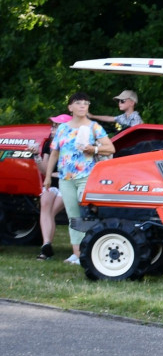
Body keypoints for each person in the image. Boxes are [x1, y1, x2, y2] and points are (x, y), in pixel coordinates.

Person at [43, 93, 115, 265]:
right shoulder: (62, 128)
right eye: (78, 103)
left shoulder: (94, 127)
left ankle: (91, 250)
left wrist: (94, 149)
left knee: (86, 212)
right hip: (66, 178)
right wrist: (47, 177)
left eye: (86, 103)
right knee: (73, 216)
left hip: (86, 176)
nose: (83, 106)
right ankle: (77, 254)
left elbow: (110, 148)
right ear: (70, 107)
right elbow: (55, 153)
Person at [32, 114, 71, 261]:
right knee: (45, 206)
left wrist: (53, 174)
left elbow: (71, 171)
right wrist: (36, 156)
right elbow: (45, 170)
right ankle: (46, 246)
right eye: (53, 125)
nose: (52, 128)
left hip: (68, 183)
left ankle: (47, 248)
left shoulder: (73, 144)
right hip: (53, 183)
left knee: (51, 212)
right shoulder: (49, 143)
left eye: (56, 126)